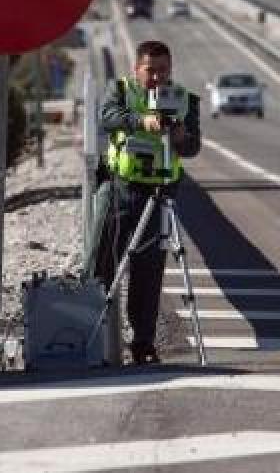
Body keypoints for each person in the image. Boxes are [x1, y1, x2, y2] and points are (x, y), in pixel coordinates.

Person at [92, 39, 201, 365]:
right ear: (137, 69)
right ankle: (96, 337)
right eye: (150, 71)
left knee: (149, 269)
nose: (157, 77)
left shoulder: (184, 100)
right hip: (121, 188)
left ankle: (142, 343)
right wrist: (142, 121)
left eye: (163, 71)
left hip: (161, 192)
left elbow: (193, 147)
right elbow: (107, 117)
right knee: (105, 263)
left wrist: (181, 136)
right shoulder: (121, 91)